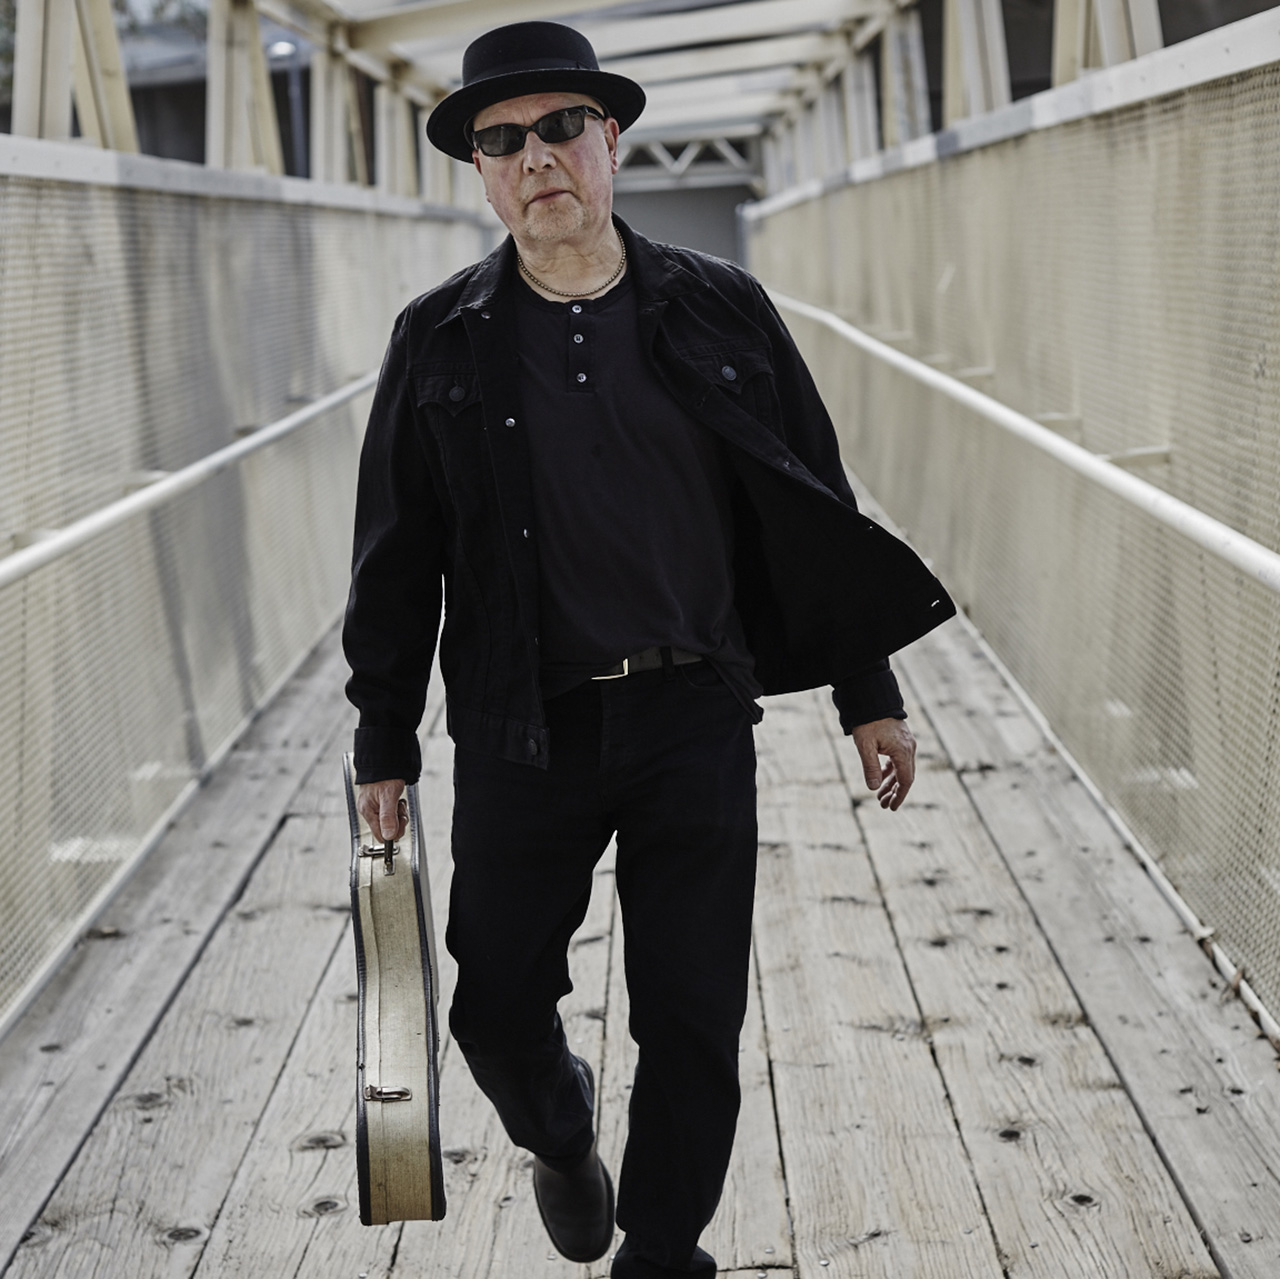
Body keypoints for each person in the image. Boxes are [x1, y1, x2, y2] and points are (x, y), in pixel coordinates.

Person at [343, 20, 954, 1278]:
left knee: (691, 1017)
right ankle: (560, 1136)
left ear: (610, 140)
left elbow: (811, 497)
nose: (536, 158)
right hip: (525, 724)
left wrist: (867, 690)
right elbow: (395, 557)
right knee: (492, 1001)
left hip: (691, 714)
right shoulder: (439, 338)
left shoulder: (716, 304)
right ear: (480, 169)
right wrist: (381, 738)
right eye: (501, 140)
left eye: (561, 127)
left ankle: (663, 1250)